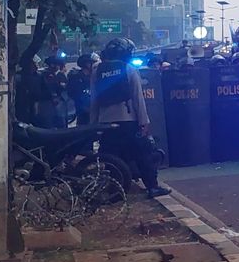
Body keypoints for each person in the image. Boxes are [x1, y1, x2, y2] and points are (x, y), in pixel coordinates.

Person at [91, 38, 170, 198]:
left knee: (112, 158)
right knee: (144, 154)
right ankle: (152, 187)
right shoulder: (129, 69)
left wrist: (93, 124)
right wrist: (144, 121)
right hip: (128, 121)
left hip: (106, 123)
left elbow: (94, 99)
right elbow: (137, 98)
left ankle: (115, 191)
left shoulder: (96, 70)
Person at [38, 56, 69, 128]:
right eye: (57, 65)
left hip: (56, 102)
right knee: (50, 124)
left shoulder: (56, 75)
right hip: (48, 103)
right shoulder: (47, 75)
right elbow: (50, 87)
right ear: (52, 65)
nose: (58, 67)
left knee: (60, 123)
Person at [68, 53, 97, 126]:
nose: (95, 65)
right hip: (83, 114)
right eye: (93, 63)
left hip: (95, 112)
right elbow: (74, 94)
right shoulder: (76, 78)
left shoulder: (95, 76)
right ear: (87, 64)